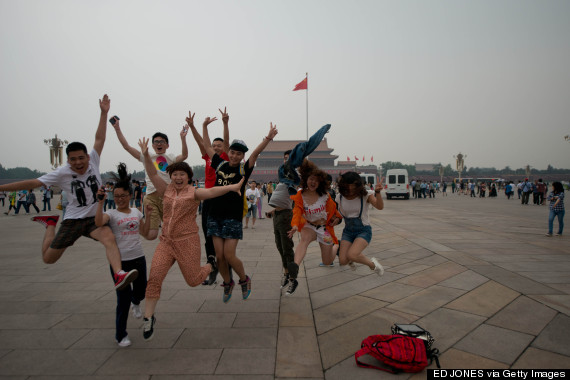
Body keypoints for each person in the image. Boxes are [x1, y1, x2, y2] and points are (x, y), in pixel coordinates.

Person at [0, 94, 137, 290]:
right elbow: (33, 182)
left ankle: (118, 274)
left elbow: (100, 138)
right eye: (73, 159)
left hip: (93, 219)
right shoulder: (61, 173)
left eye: (81, 158)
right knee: (49, 259)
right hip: (72, 220)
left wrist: (103, 113)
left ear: (87, 158)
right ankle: (50, 224)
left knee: (109, 237)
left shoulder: (94, 159)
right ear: (68, 160)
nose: (78, 163)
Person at [138, 137, 244, 340]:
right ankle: (149, 318)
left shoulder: (194, 193)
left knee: (194, 280)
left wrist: (231, 188)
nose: (178, 178)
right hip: (166, 242)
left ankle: (211, 266)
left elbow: (212, 191)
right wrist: (144, 154)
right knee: (155, 278)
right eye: (175, 174)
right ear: (170, 177)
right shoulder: (165, 190)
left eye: (182, 175)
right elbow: (152, 172)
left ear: (188, 178)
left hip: (187, 242)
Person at [203, 118, 278, 303]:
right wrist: (204, 127)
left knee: (229, 254)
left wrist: (268, 138)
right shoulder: (219, 164)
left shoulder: (245, 169)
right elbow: (206, 145)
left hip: (232, 217)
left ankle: (244, 279)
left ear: (242, 156)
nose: (235, 156)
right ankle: (228, 283)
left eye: (239, 154)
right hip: (214, 215)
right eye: (233, 152)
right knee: (219, 256)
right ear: (228, 152)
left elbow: (255, 153)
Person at [95, 163, 151, 347]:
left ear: (129, 195)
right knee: (122, 300)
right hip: (120, 263)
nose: (119, 199)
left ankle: (137, 301)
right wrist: (101, 202)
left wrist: (148, 215)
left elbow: (144, 232)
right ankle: (121, 335)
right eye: (116, 196)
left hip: (138, 258)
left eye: (123, 196)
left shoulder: (135, 211)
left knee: (142, 290)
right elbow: (97, 222)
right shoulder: (110, 214)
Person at [112, 118, 189, 240]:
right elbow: (126, 147)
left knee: (174, 231)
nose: (159, 144)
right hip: (151, 198)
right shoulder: (146, 156)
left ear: (167, 145)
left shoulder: (171, 158)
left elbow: (184, 155)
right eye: (156, 142)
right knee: (151, 235)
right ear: (152, 145)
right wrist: (117, 128)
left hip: (167, 198)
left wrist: (183, 138)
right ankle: (134, 224)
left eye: (162, 141)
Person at [187, 107, 230, 286]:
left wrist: (225, 123)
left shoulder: (226, 158)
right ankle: (211, 265)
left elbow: (226, 141)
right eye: (214, 146)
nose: (216, 147)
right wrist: (197, 126)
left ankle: (225, 265)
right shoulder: (208, 158)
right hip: (208, 199)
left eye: (219, 146)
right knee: (207, 233)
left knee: (222, 235)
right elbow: (201, 142)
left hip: (223, 200)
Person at [286, 160, 342, 296]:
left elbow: (336, 214)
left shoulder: (325, 196)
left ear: (320, 183)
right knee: (304, 240)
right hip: (309, 226)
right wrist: (294, 225)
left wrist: (338, 219)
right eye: (311, 179)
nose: (313, 182)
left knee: (327, 261)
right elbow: (297, 212)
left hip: (324, 229)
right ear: (306, 180)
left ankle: (336, 246)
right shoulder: (300, 195)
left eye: (316, 181)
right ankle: (295, 269)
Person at [336, 171, 385, 275]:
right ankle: (353, 258)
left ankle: (374, 265)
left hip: (363, 230)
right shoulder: (339, 197)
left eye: (353, 186)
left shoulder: (366, 195)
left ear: (358, 185)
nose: (350, 189)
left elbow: (380, 207)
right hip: (348, 231)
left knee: (352, 255)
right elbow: (337, 214)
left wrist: (378, 193)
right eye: (347, 185)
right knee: (343, 261)